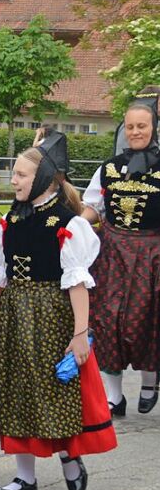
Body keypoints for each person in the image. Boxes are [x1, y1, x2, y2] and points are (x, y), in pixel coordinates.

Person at [0, 130, 116, 490]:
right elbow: (1, 273)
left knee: (53, 391)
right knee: (17, 388)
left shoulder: (68, 224)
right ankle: (24, 478)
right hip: (17, 314)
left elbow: (77, 283)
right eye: (13, 174)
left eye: (20, 175)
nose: (13, 180)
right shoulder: (10, 222)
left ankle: (69, 457)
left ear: (45, 180)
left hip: (53, 315)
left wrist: (80, 333)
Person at [81, 90, 160, 416]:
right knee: (107, 320)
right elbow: (93, 207)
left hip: (151, 252)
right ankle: (114, 396)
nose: (136, 132)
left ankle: (149, 381)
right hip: (112, 251)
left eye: (142, 126)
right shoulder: (109, 168)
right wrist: (74, 228)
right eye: (130, 127)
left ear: (154, 128)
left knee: (145, 320)